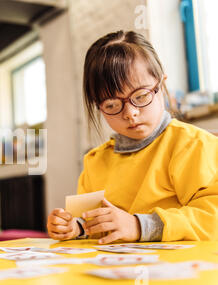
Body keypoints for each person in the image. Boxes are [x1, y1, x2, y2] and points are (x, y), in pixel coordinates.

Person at [47, 30, 218, 244]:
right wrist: (75, 227)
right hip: (118, 271)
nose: (130, 113)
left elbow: (212, 217)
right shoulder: (95, 161)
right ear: (98, 107)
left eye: (141, 96)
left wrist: (140, 226)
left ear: (161, 85)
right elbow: (95, 226)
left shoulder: (194, 146)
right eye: (112, 105)